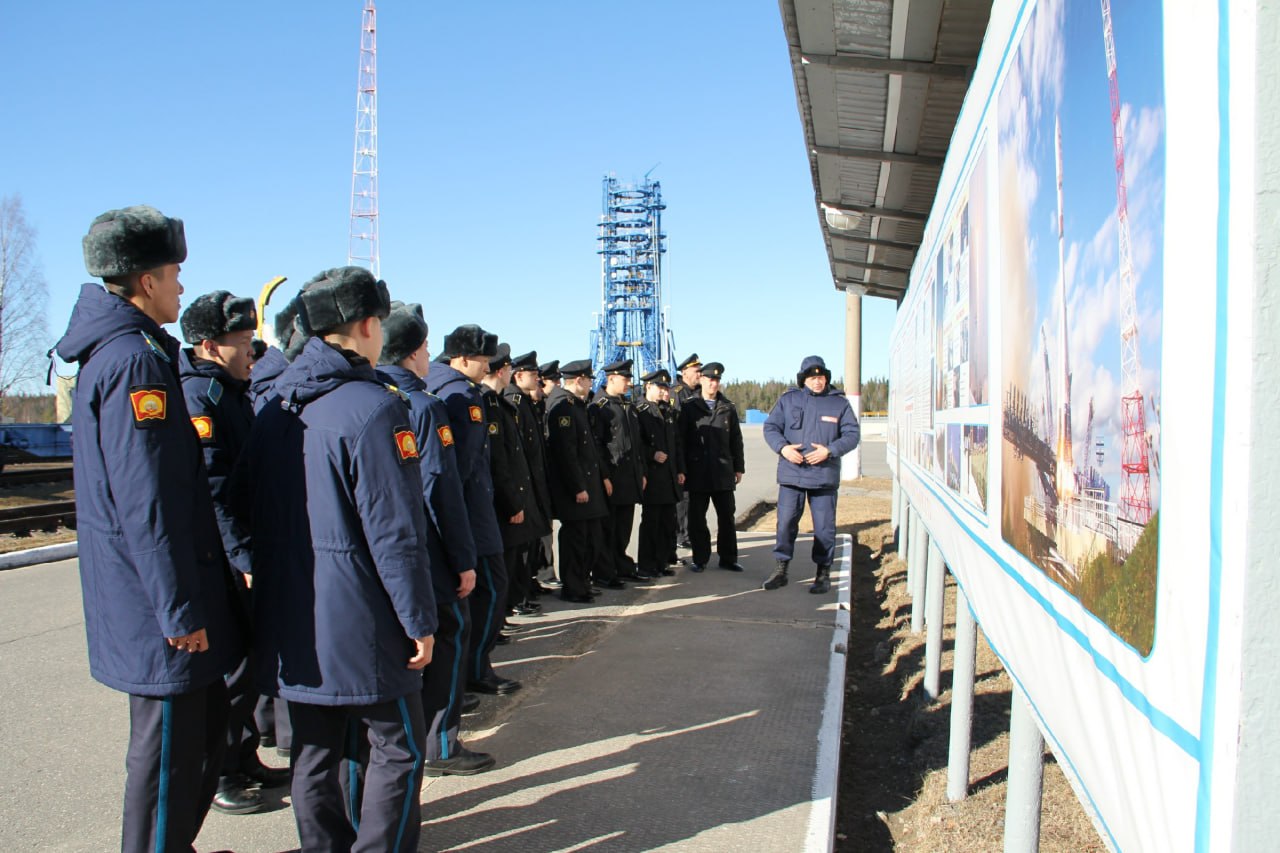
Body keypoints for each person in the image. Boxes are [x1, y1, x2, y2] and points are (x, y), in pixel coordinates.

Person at [54, 205, 241, 852]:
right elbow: (148, 500)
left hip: (158, 595)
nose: (181, 287)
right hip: (160, 604)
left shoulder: (123, 353)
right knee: (166, 753)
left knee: (194, 738)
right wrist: (179, 606)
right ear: (144, 281)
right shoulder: (134, 363)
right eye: (175, 273)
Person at [243, 267, 436, 852]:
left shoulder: (276, 407)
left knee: (315, 750)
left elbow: (242, 503)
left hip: (293, 617)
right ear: (368, 326)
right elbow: (395, 533)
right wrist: (419, 621)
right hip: (364, 620)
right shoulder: (374, 409)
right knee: (399, 746)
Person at [178, 291, 290, 814]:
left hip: (244, 550)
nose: (252, 351)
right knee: (231, 673)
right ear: (208, 346)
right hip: (223, 562)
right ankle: (222, 771)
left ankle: (244, 755)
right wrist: (243, 557)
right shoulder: (201, 397)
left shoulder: (229, 391)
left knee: (246, 667)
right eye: (242, 343)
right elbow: (215, 488)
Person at [375, 302, 495, 778]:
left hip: (387, 556)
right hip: (431, 554)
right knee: (448, 642)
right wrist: (464, 559)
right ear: (411, 353)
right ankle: (440, 743)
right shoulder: (423, 407)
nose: (431, 356)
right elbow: (443, 489)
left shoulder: (365, 397)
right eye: (426, 347)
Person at [425, 325, 521, 697]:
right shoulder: (462, 397)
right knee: (490, 593)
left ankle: (470, 669)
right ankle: (475, 668)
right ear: (462, 359)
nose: (487, 367)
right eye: (482, 360)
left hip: (463, 515)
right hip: (471, 517)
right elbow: (463, 468)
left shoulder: (440, 388)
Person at [761, 356, 861, 594]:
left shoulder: (839, 404)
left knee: (824, 527)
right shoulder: (789, 399)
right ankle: (781, 569)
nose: (817, 381)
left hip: (823, 476)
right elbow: (771, 427)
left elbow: (852, 434)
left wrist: (830, 450)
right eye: (812, 377)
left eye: (821, 377)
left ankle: (823, 573)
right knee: (785, 523)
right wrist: (783, 448)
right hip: (792, 474)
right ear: (803, 379)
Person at [481, 344, 548, 617]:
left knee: (519, 553)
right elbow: (499, 460)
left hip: (521, 489)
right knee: (510, 557)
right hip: (507, 496)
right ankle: (509, 605)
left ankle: (513, 602)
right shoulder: (492, 403)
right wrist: (513, 501)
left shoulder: (503, 403)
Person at [545, 359, 613, 602]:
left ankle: (583, 581)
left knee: (592, 539)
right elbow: (566, 453)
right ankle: (573, 587)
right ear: (578, 380)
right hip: (576, 490)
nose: (591, 383)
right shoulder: (563, 408)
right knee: (576, 542)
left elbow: (589, 449)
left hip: (589, 486)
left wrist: (601, 476)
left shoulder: (577, 406)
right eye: (588, 379)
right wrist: (578, 487)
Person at [679, 361, 745, 573]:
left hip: (723, 471)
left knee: (726, 517)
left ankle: (728, 558)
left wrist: (739, 467)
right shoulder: (689, 407)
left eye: (716, 380)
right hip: (697, 473)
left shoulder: (727, 407)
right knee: (697, 519)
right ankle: (700, 558)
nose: (713, 384)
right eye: (709, 379)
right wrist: (682, 468)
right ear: (701, 380)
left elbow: (736, 439)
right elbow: (680, 440)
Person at [591, 359, 650, 581]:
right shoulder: (600, 407)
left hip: (629, 478)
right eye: (625, 379)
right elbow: (597, 446)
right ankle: (605, 573)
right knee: (608, 529)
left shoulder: (627, 405)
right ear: (611, 379)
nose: (628, 384)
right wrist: (604, 476)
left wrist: (641, 472)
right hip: (613, 478)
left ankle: (622, 567)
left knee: (624, 528)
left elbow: (637, 444)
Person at [506, 350, 554, 606]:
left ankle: (528, 586)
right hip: (523, 483)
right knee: (522, 546)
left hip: (534, 480)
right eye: (534, 375)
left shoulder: (524, 401)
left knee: (532, 540)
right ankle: (519, 597)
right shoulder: (513, 401)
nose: (539, 380)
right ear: (519, 375)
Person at [635, 369, 684, 578]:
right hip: (653, 477)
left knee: (668, 522)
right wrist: (651, 454)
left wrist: (681, 469)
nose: (665, 392)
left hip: (670, 477)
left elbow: (677, 444)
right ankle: (647, 564)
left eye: (667, 387)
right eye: (661, 387)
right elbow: (636, 444)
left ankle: (662, 561)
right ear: (649, 387)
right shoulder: (641, 411)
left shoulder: (669, 412)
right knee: (651, 523)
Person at [672, 353, 702, 548]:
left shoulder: (699, 392)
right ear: (684, 372)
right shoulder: (677, 393)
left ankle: (689, 532)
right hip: (683, 454)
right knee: (683, 499)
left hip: (697, 456)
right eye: (696, 370)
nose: (700, 374)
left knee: (694, 499)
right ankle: (681, 536)